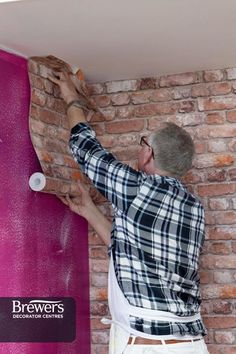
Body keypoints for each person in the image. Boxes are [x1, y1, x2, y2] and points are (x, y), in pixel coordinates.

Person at [49, 71, 209, 354]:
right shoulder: (193, 207)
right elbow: (131, 249)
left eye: (143, 142)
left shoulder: (137, 188)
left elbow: (86, 149)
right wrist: (89, 211)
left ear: (149, 154)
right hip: (190, 345)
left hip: (149, 347)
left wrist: (71, 98)